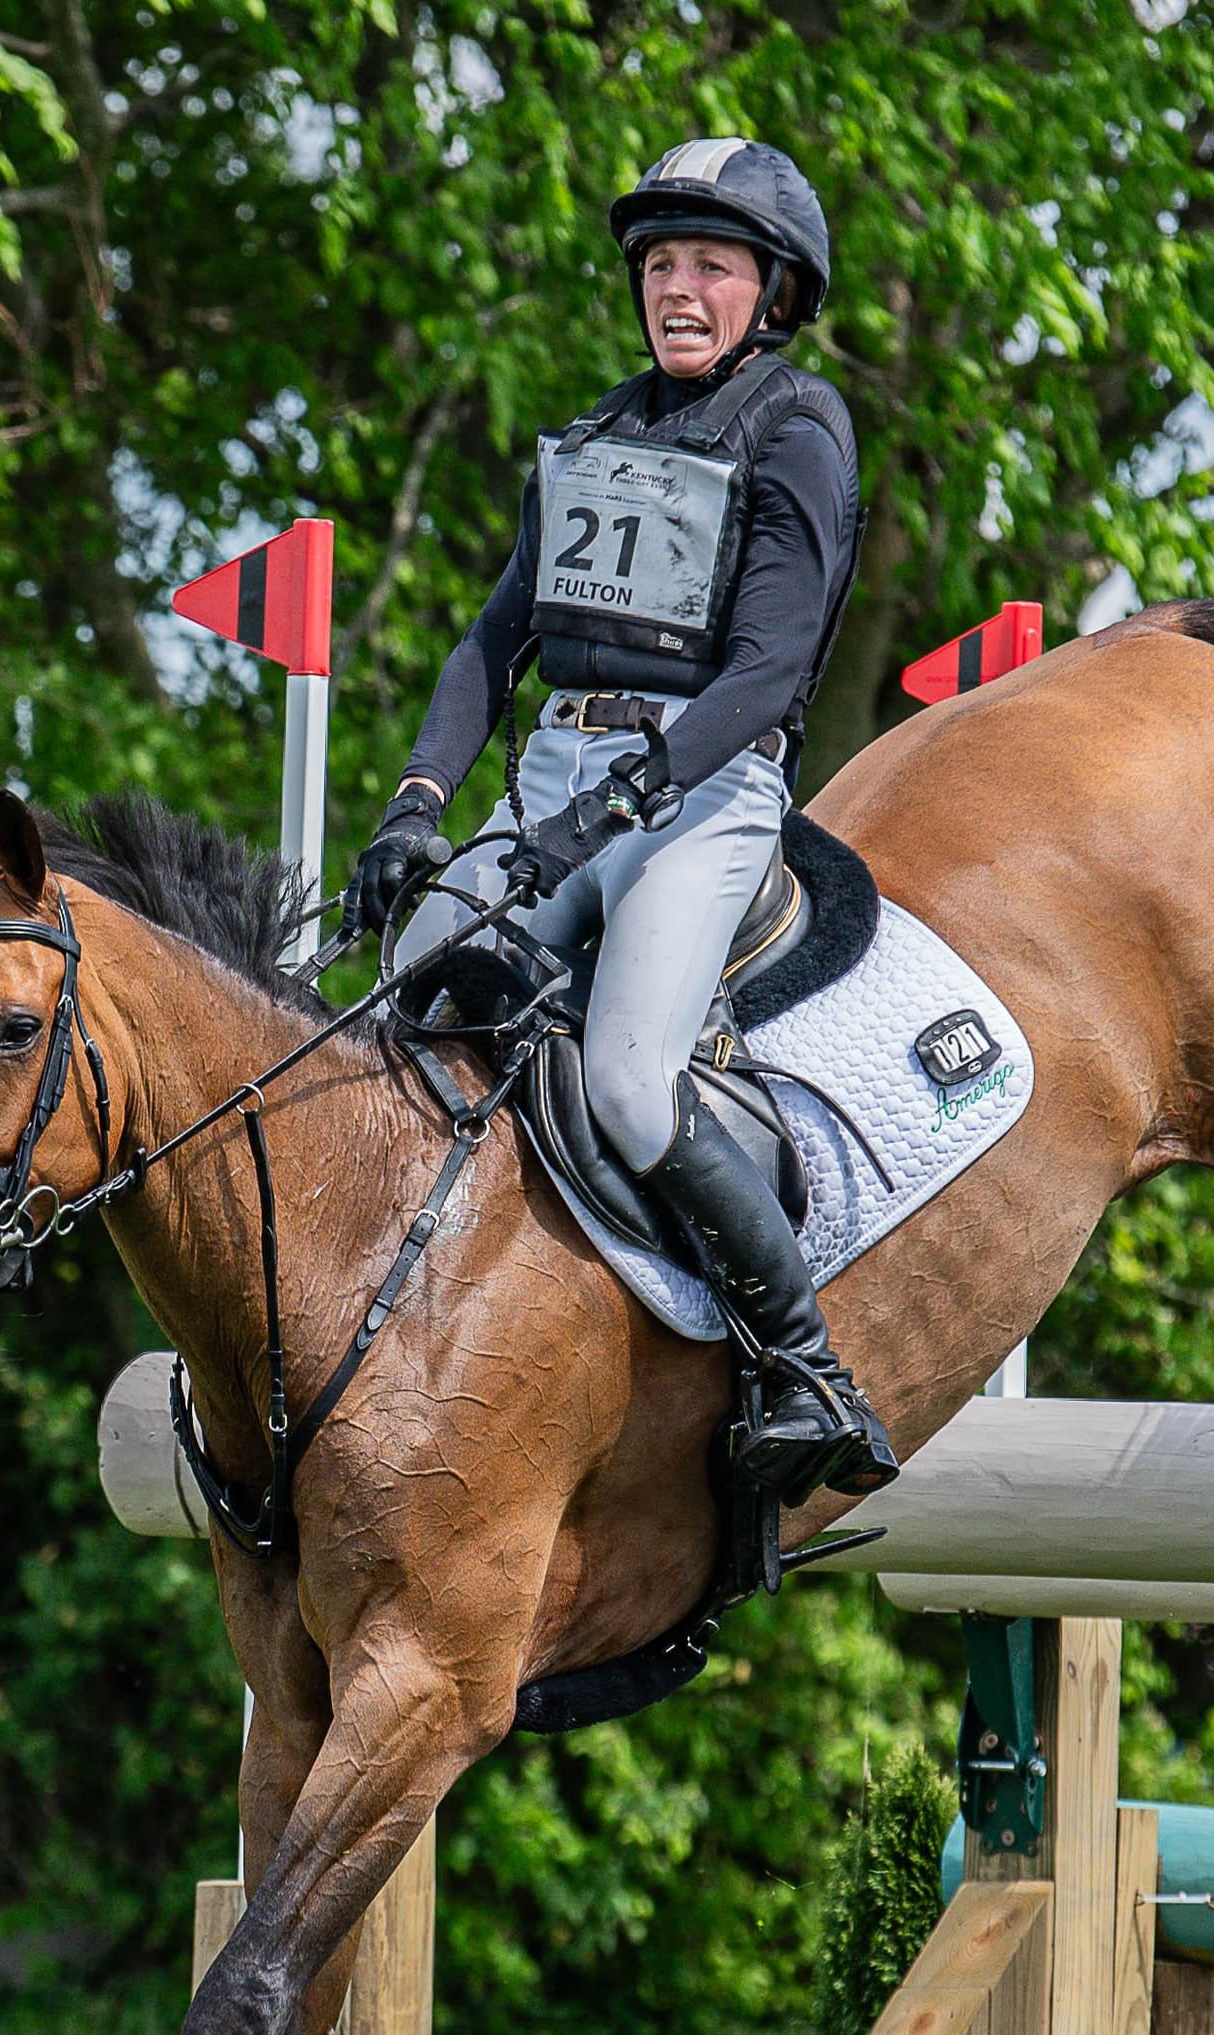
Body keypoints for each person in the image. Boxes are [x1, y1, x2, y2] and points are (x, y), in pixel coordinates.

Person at [346, 138, 896, 1502]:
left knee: (630, 1081)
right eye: (662, 263)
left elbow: (769, 667)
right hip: (551, 784)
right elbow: (491, 639)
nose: (680, 288)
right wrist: (417, 804)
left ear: (770, 291)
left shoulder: (799, 424)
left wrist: (625, 800)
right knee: (398, 1012)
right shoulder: (597, 435)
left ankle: (802, 1364)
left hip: (698, 797)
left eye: (711, 264)